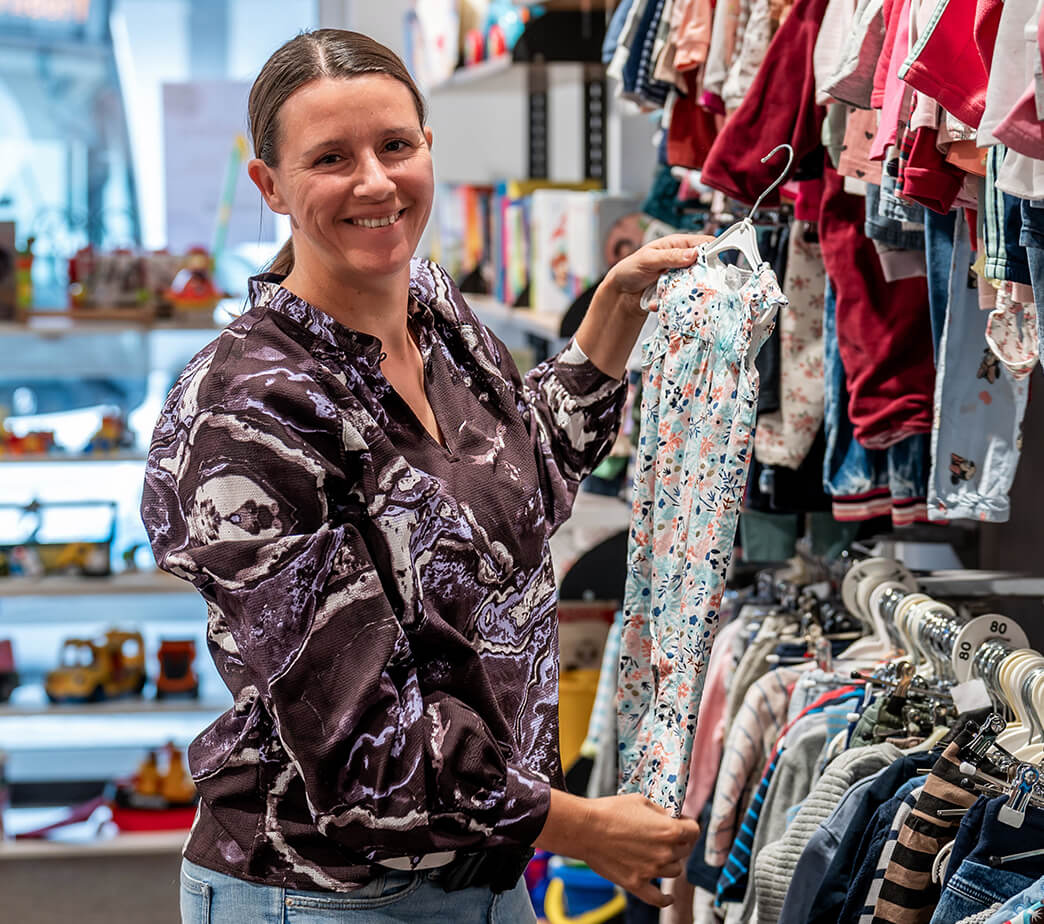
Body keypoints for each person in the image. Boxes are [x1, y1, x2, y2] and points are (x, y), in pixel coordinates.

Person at [141, 28, 711, 924]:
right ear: (271, 186)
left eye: (394, 146)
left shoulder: (436, 314)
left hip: (481, 872)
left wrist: (608, 328)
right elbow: (365, 752)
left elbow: (520, 498)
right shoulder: (248, 414)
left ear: (427, 150)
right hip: (329, 895)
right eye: (330, 158)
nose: (374, 182)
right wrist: (586, 829)